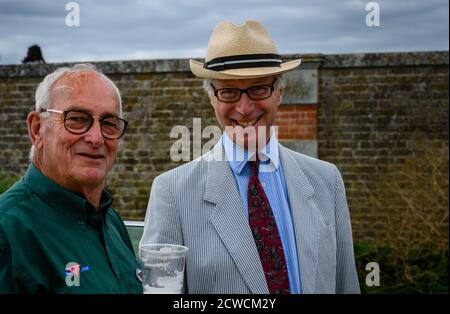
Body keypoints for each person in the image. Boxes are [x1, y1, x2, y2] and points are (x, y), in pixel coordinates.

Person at [140, 20, 360, 294]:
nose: (244, 108)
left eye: (258, 89)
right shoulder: (172, 192)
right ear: (212, 98)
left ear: (279, 93)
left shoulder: (327, 180)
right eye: (229, 91)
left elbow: (346, 286)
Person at [0, 64, 143, 293]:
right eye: (76, 118)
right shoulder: (8, 231)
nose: (96, 137)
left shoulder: (109, 220)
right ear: (37, 129)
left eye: (108, 123)